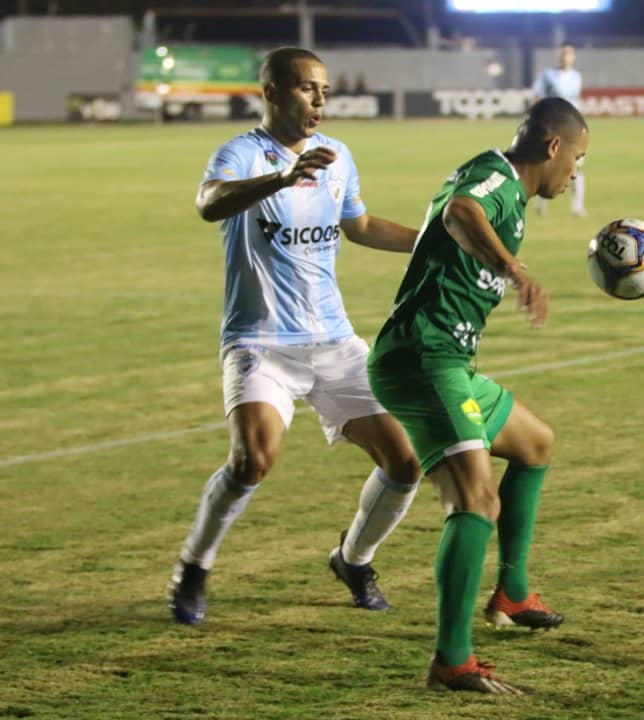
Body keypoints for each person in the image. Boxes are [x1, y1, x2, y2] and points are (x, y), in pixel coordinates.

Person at [168, 47, 423, 625]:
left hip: (334, 341)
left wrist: (431, 241)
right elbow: (209, 203)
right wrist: (282, 177)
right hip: (260, 341)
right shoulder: (240, 153)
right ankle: (193, 568)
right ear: (273, 92)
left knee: (406, 462)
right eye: (308, 88)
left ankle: (353, 559)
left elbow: (359, 225)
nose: (319, 100)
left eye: (325, 90)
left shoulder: (338, 156)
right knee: (251, 460)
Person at [367, 97, 588, 694]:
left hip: (452, 363)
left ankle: (512, 592)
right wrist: (514, 269)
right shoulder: (493, 177)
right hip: (422, 357)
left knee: (536, 444)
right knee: (476, 500)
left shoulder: (507, 190)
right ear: (553, 147)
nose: (576, 173)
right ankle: (452, 661)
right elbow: (458, 212)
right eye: (577, 159)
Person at [530, 44, 586, 217]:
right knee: (548, 164)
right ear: (558, 57)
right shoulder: (548, 75)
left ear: (573, 57)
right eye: (563, 54)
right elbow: (537, 95)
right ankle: (541, 203)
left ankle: (577, 207)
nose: (565, 57)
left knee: (576, 165)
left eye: (569, 54)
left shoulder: (577, 77)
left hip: (573, 126)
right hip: (553, 125)